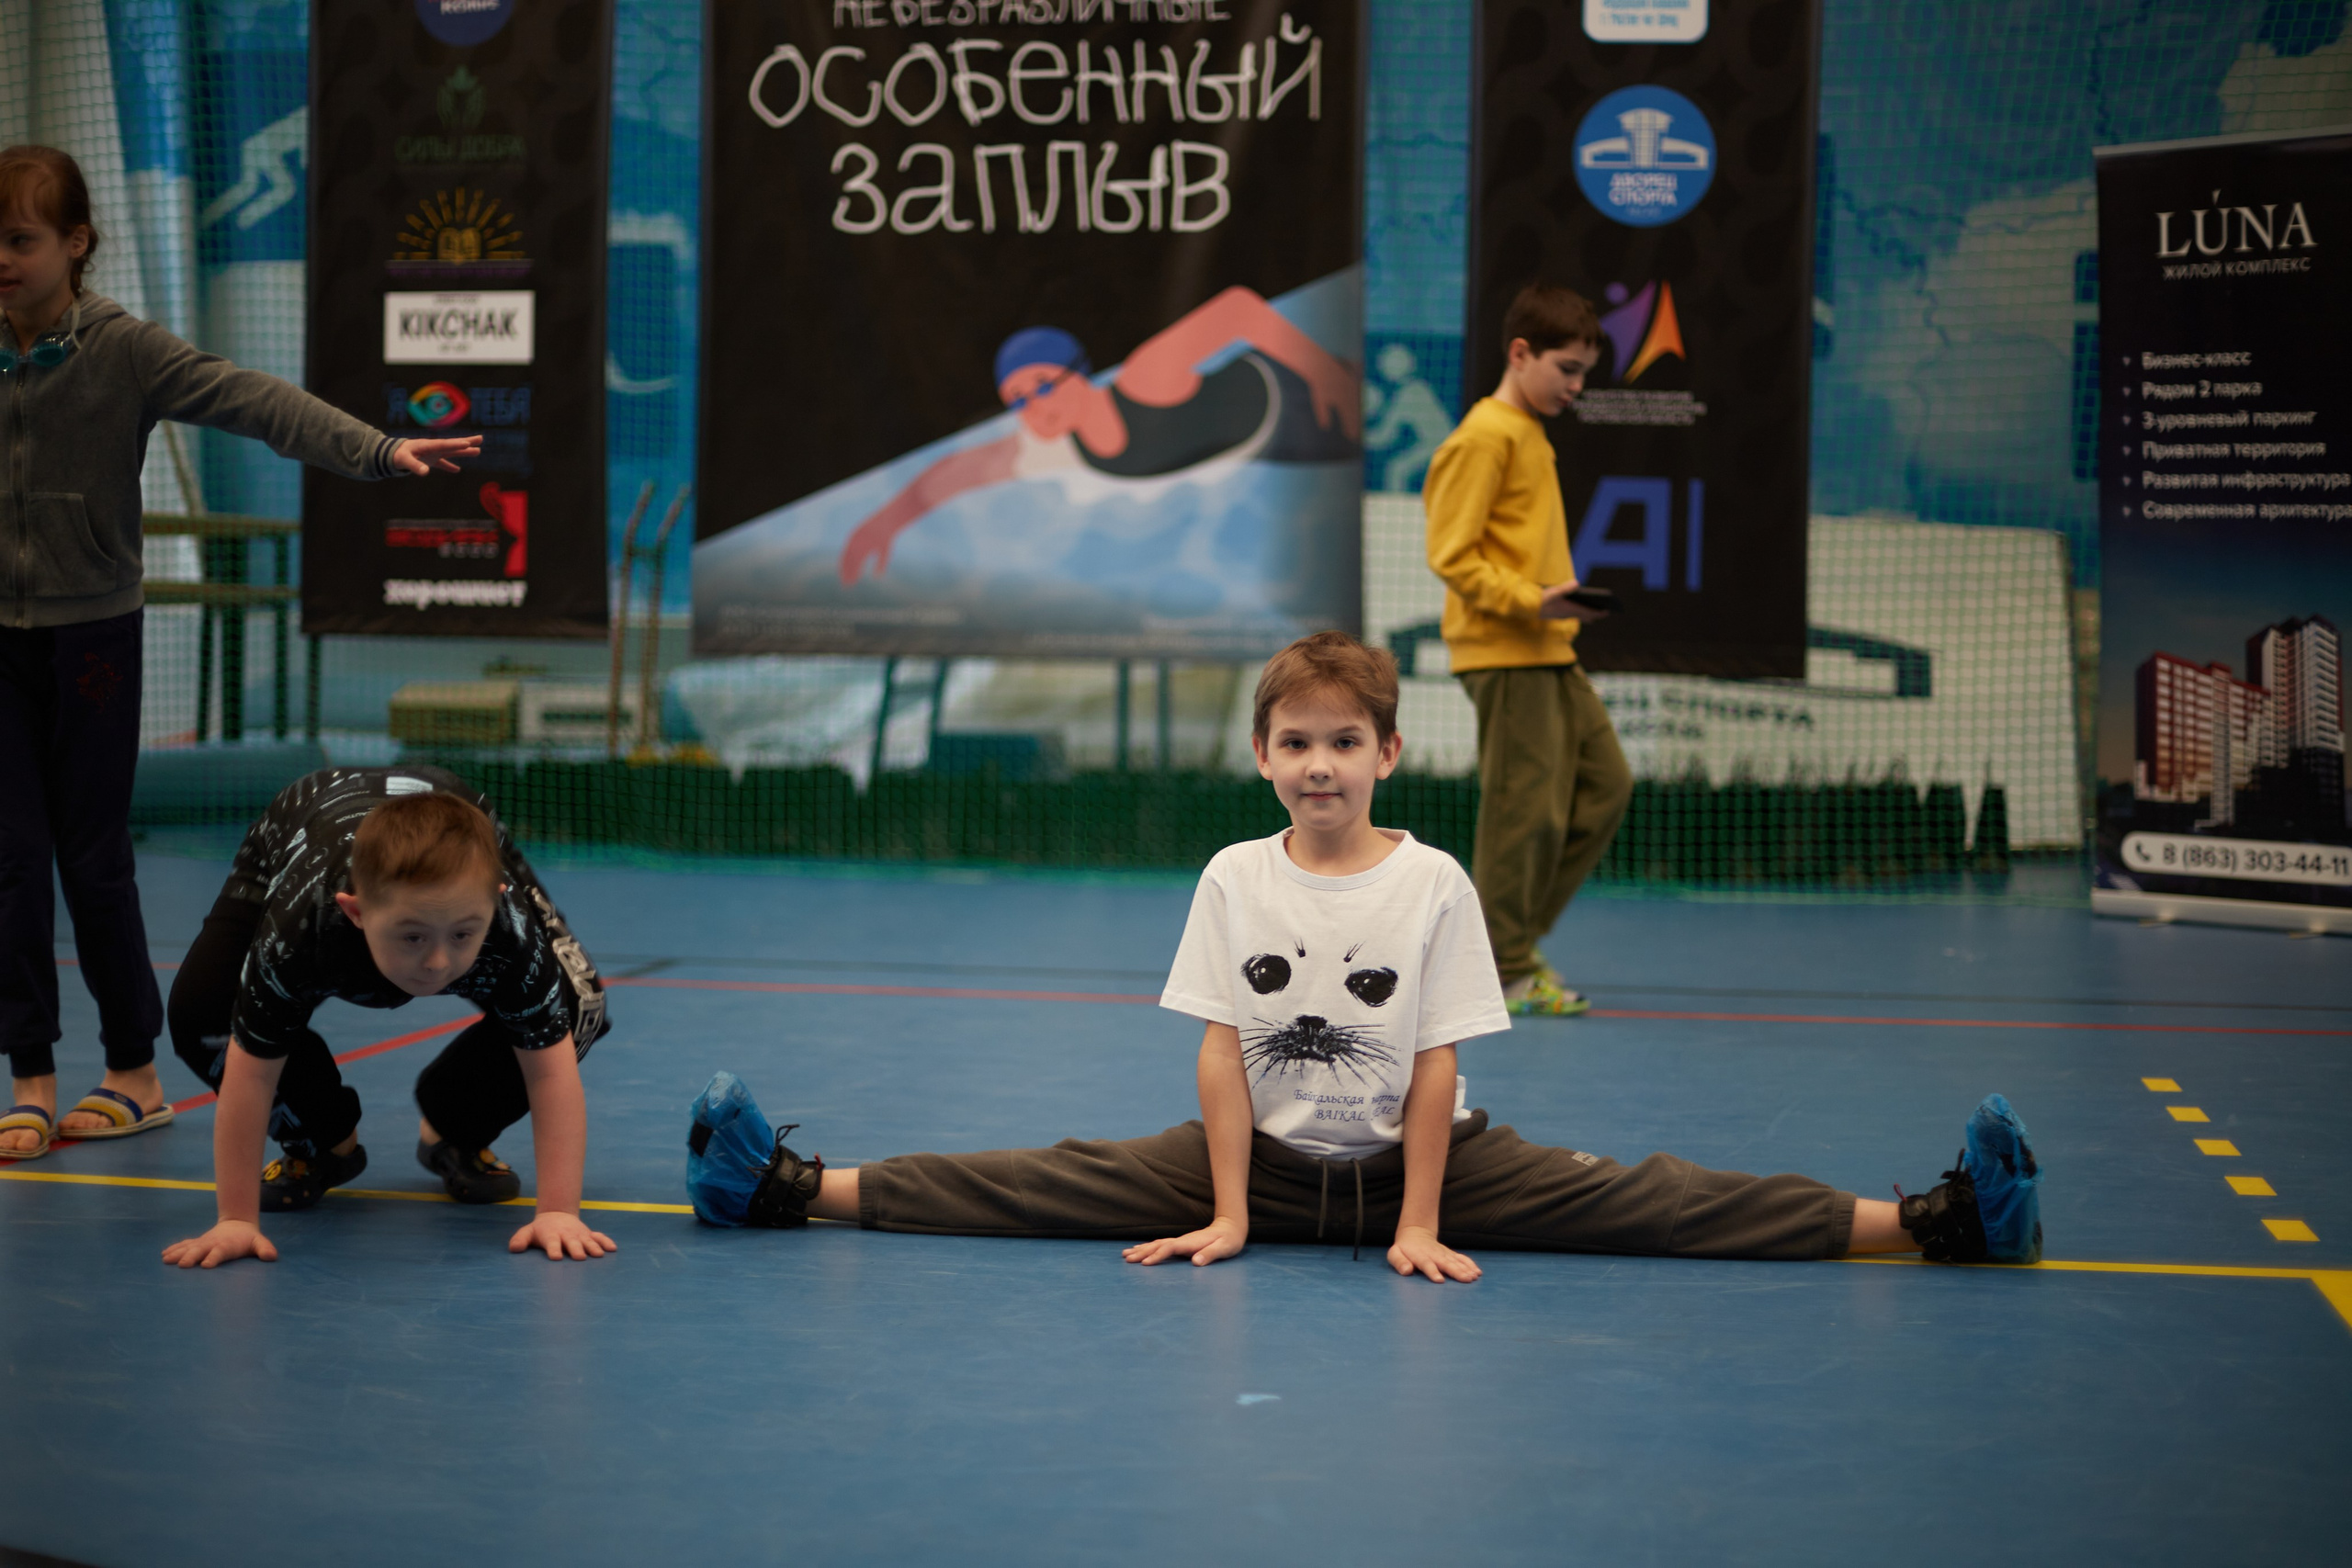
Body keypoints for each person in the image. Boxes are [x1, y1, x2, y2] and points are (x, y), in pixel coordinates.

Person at [697, 633, 2042, 1279]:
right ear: (1262, 755)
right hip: (1258, 1164)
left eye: (1346, 741)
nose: (1320, 764)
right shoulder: (1233, 875)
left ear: (1388, 752)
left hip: (1428, 1165)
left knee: (1655, 1200)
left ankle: (1942, 1222)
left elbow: (1438, 1062)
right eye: (1296, 742)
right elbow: (1221, 1049)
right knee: (1041, 1177)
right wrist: (1231, 1211)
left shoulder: (1434, 880)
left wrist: (1415, 1220)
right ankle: (783, 1188)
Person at [0, 145, 480, 1160]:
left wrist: (378, 449)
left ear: (76, 244)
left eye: (19, 240)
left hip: (92, 637)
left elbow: (254, 400)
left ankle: (132, 1073)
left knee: (91, 859)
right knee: (9, 858)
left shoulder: (124, 351)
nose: (2, 259)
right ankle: (28, 1075)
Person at [160, 768, 615, 1267]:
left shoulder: (510, 930)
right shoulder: (302, 928)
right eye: (412, 937)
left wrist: (558, 1212)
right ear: (355, 912)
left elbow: (549, 1072)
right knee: (208, 1016)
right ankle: (322, 1141)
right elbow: (251, 1075)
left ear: (496, 901)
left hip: (455, 808)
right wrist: (236, 1220)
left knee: (576, 1006)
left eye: (463, 935)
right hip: (302, 824)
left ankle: (454, 1127)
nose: (438, 963)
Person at [837, 285, 1361, 582]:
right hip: (1285, 443)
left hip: (1299, 389)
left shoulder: (1144, 378)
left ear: (1080, 375)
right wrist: (882, 524)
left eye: (1043, 385)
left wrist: (1322, 371)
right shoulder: (1057, 450)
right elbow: (959, 471)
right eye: (1018, 400)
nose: (1035, 407)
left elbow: (1239, 309)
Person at [1422, 283, 1630, 1018]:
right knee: (1524, 814)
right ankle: (1503, 964)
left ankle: (1500, 944)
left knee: (1606, 786)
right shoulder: (1483, 436)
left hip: (1547, 645)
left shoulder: (1528, 431)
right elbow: (1452, 555)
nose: (1576, 386)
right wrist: (1531, 599)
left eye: (1583, 373)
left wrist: (1551, 604)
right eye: (1566, 369)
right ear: (1520, 353)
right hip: (1504, 651)